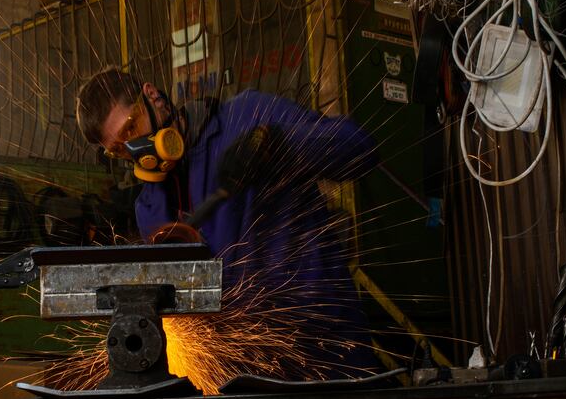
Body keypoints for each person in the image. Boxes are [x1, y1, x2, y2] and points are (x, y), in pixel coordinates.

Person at [76, 68, 380, 380]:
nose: (133, 150)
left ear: (153, 97)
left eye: (130, 129)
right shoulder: (151, 209)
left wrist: (283, 144)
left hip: (325, 352)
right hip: (237, 375)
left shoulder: (245, 118)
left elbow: (359, 147)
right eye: (118, 149)